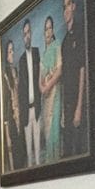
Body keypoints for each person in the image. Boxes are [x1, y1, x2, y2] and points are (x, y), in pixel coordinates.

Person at [60, 0, 87, 157]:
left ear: (74, 6)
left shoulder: (80, 33)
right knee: (67, 150)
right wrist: (64, 110)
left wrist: (79, 107)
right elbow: (64, 77)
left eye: (68, 5)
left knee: (78, 149)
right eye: (64, 7)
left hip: (78, 101)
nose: (66, 10)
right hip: (67, 103)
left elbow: (82, 70)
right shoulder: (64, 42)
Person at [17, 19, 43, 167]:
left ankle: (39, 166)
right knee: (29, 149)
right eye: (24, 34)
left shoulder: (37, 53)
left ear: (31, 34)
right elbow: (21, 90)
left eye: (28, 32)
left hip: (36, 106)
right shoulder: (21, 60)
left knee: (38, 145)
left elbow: (40, 77)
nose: (27, 36)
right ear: (23, 37)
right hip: (26, 110)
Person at [39, 15, 63, 163]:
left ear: (53, 30)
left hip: (55, 94)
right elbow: (40, 79)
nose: (48, 32)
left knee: (54, 130)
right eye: (46, 29)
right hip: (45, 98)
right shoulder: (43, 54)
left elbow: (59, 70)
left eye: (50, 28)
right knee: (47, 131)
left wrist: (47, 86)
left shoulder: (57, 45)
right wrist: (43, 88)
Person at [1, 40, 26, 171]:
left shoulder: (16, 71)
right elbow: (6, 97)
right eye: (9, 51)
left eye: (13, 51)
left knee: (22, 141)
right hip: (11, 113)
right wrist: (6, 119)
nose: (12, 54)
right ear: (5, 55)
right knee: (14, 143)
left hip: (20, 111)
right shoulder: (4, 74)